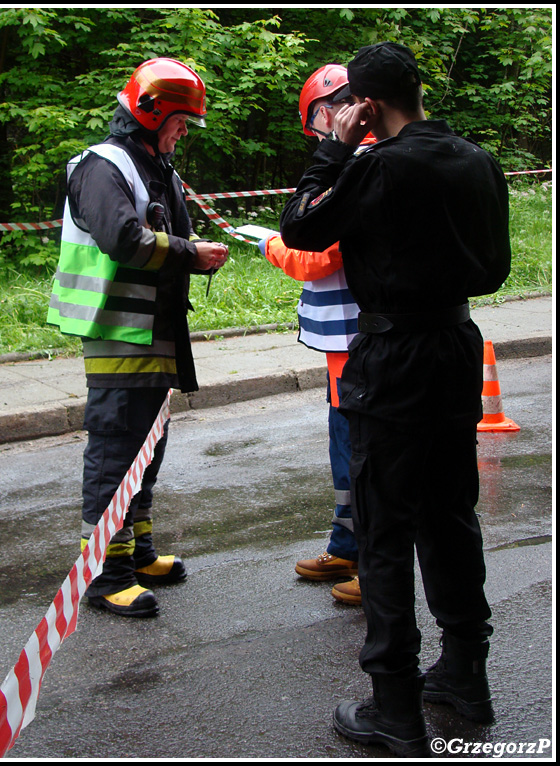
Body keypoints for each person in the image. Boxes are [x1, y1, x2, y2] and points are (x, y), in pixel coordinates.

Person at [280, 42, 511, 757]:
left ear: (367, 107)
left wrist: (332, 150)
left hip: (391, 357)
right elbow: (497, 270)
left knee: (384, 529)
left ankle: (395, 708)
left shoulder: (373, 164)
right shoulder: (477, 160)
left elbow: (301, 227)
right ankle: (466, 675)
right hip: (454, 347)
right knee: (450, 513)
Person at [47, 58, 228, 618]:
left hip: (155, 332)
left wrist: (195, 258)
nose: (183, 132)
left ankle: (137, 551)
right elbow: (124, 240)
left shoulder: (156, 166)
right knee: (117, 449)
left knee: (147, 451)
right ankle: (103, 574)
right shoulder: (103, 166)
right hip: (118, 332)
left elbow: (169, 238)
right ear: (150, 112)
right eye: (180, 120)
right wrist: (187, 253)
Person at [259, 64, 375, 604]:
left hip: (360, 342)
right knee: (344, 449)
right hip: (343, 344)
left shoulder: (361, 163)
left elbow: (317, 255)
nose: (317, 133)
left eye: (315, 122)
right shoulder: (355, 159)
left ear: (329, 110)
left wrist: (269, 245)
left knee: (362, 452)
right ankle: (346, 547)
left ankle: (372, 565)